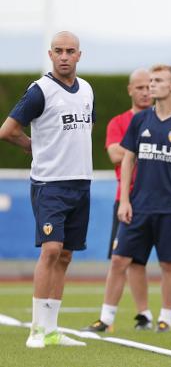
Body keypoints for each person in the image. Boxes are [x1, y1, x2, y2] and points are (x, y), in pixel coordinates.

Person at [83, 64, 171, 333]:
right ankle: (105, 318)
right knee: (120, 260)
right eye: (149, 81)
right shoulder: (139, 121)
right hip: (137, 207)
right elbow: (127, 160)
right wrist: (125, 200)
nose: (151, 85)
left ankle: (166, 318)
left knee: (169, 264)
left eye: (157, 80)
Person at [0, 31, 92, 347]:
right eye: (58, 51)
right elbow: (8, 130)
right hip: (50, 183)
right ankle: (36, 330)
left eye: (70, 51)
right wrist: (31, 145)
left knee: (65, 255)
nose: (64, 56)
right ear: (50, 55)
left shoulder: (87, 91)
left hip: (81, 182)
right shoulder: (40, 91)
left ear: (79, 55)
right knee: (51, 249)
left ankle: (52, 329)